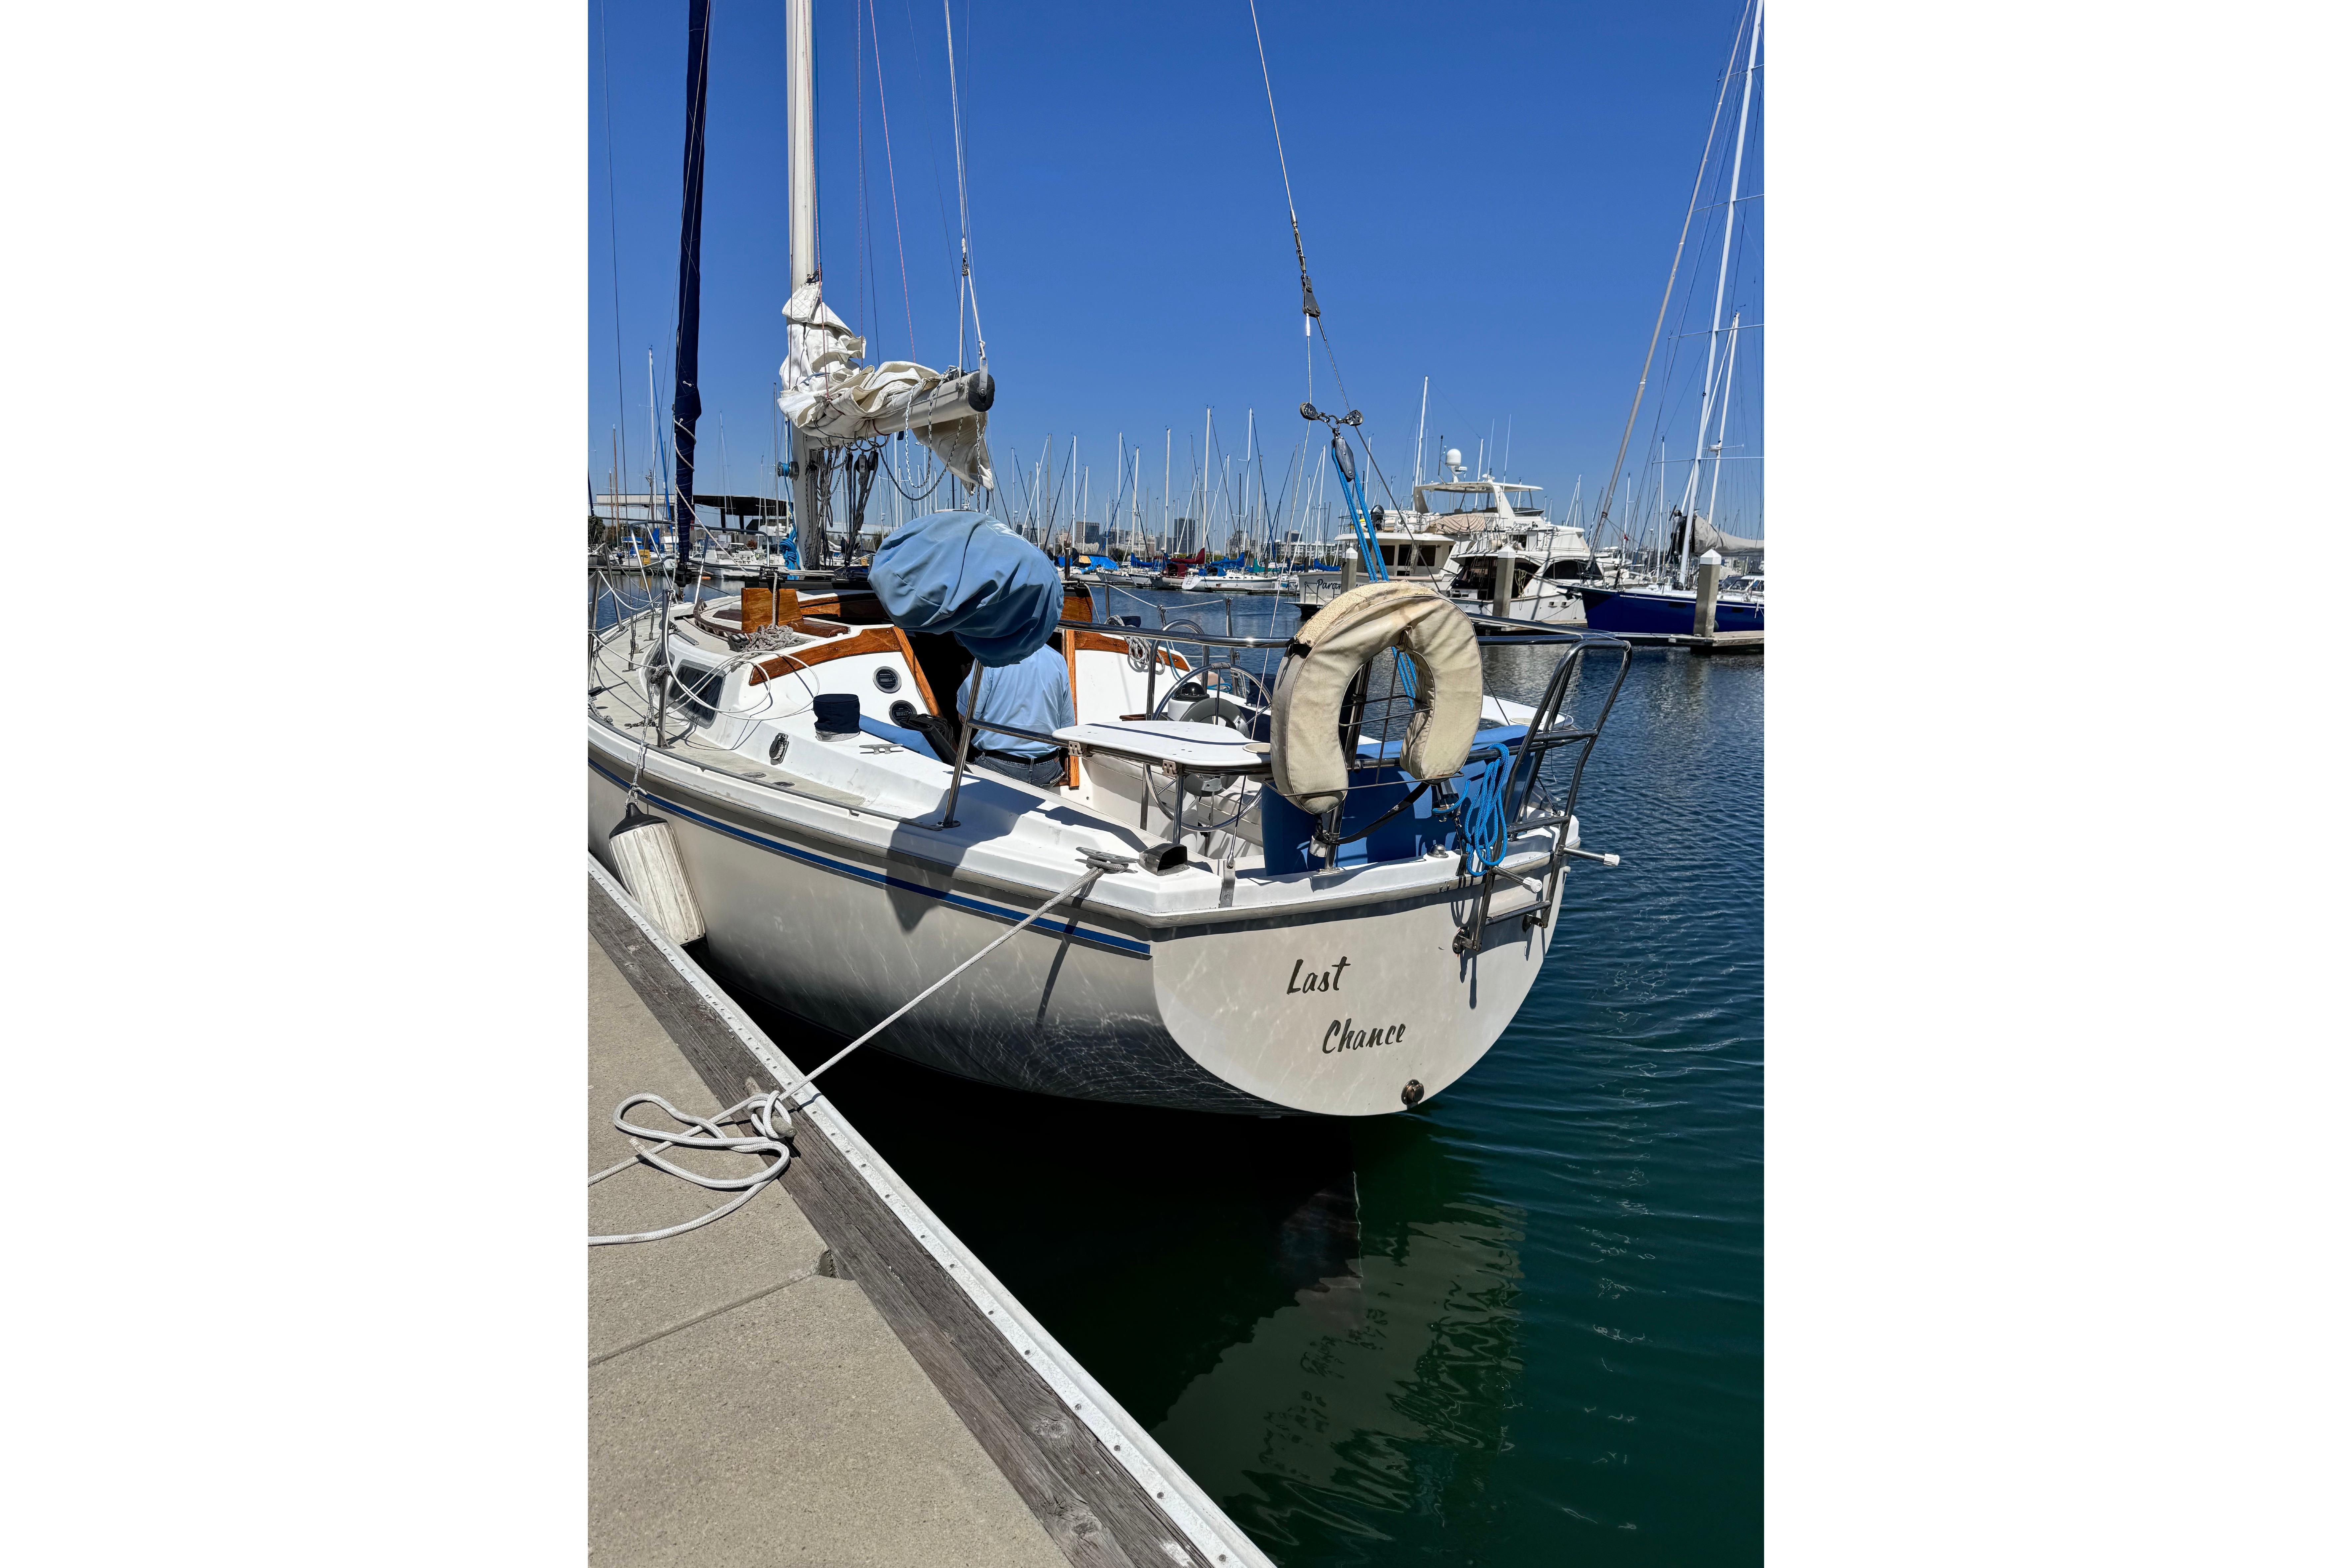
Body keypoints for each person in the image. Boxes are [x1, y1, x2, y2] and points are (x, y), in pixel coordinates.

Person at [957, 642, 1074, 787]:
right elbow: (1067, 725)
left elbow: (967, 715)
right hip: (1047, 771)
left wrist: (968, 680)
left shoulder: (990, 655)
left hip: (999, 766)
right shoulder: (1058, 659)